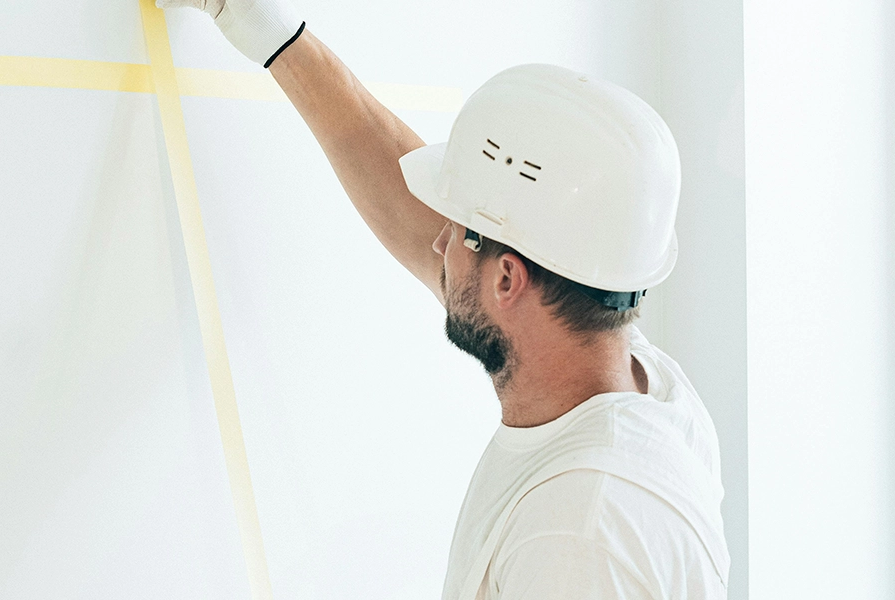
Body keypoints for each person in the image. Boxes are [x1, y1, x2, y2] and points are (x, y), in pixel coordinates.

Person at [155, 1, 732, 597]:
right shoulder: (643, 389)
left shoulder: (579, 534)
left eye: (455, 230)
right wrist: (266, 29)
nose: (437, 239)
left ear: (508, 280)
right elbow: (421, 216)